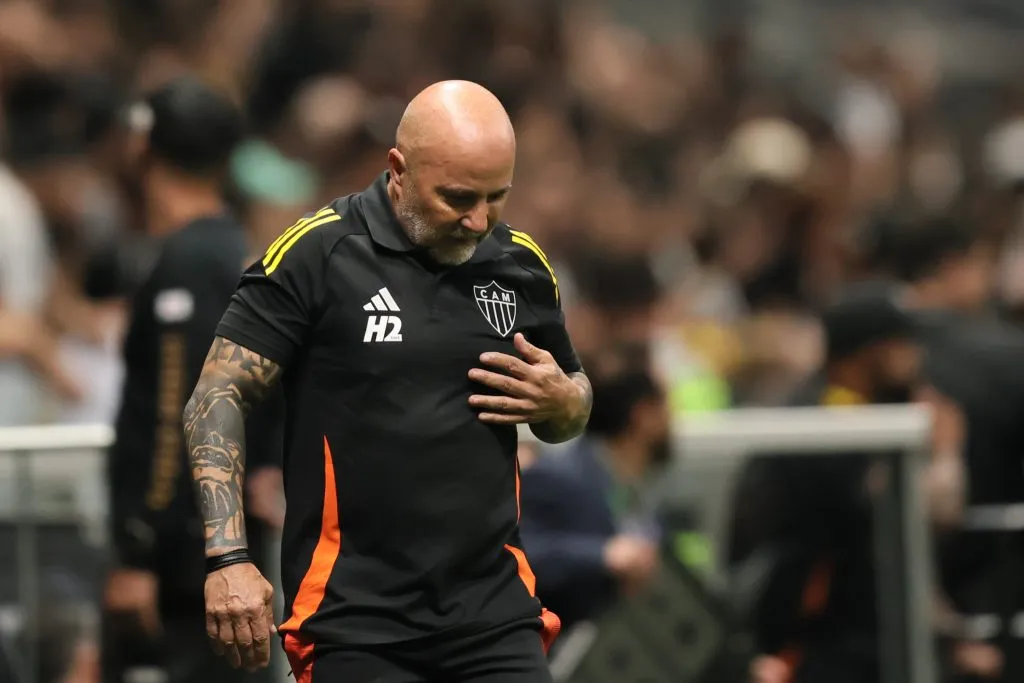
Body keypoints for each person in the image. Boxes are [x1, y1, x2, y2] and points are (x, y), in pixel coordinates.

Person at [183, 80, 592, 683]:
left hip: (494, 615)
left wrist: (565, 400)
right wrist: (229, 558)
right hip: (354, 623)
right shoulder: (318, 255)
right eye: (457, 198)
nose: (479, 220)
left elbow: (570, 404)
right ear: (399, 170)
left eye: (497, 197)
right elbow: (216, 397)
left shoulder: (521, 265)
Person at [102, 77, 282, 683]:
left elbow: (175, 409)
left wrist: (139, 550)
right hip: (215, 549)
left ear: (143, 145)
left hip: (184, 563)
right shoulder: (233, 247)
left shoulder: (190, 262)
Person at [729, 284, 928, 683]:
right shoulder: (814, 422)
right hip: (818, 632)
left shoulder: (876, 409)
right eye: (901, 343)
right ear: (871, 350)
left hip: (866, 625)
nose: (915, 355)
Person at [518, 352, 671, 635]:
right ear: (643, 415)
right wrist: (602, 555)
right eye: (666, 408)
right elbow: (523, 554)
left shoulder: (641, 484)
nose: (672, 420)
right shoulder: (557, 476)